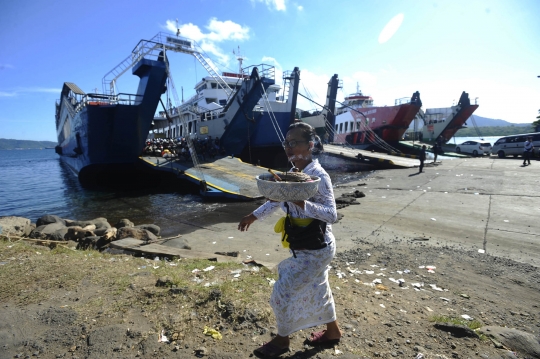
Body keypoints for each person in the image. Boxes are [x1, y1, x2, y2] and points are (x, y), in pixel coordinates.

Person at [238, 122, 341, 358]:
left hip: (317, 247)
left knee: (281, 293)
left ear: (310, 145)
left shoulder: (318, 177)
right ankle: (333, 332)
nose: (288, 147)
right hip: (302, 244)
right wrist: (252, 216)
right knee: (320, 290)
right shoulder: (293, 173)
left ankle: (282, 340)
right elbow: (275, 199)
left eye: (294, 142)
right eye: (286, 143)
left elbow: (331, 215)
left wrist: (301, 201)